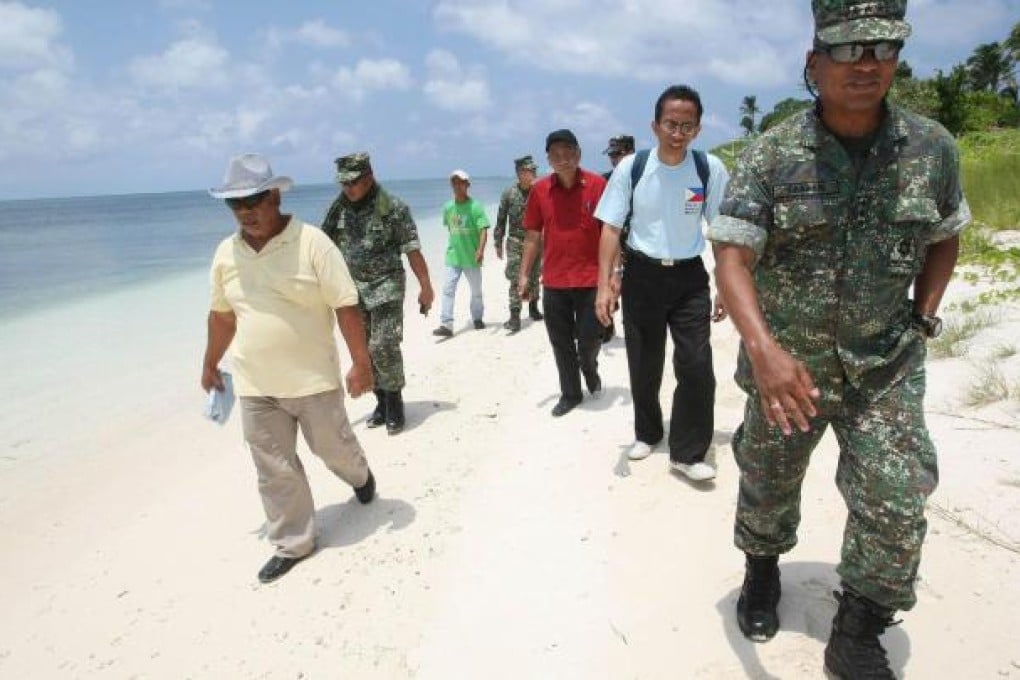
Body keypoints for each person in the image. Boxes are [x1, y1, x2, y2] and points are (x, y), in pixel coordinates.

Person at [708, 1, 970, 677]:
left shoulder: (932, 147)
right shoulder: (771, 153)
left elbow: (945, 235)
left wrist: (924, 316)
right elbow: (732, 258)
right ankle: (763, 570)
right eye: (850, 50)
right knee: (767, 482)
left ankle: (858, 627)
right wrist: (765, 352)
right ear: (813, 63)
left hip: (884, 363)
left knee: (897, 491)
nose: (868, 63)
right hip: (788, 366)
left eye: (883, 49)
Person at [201, 153, 378, 584]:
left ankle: (359, 474)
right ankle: (294, 542)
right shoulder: (226, 253)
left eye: (254, 200)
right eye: (235, 204)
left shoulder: (313, 243)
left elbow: (345, 304)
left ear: (275, 196)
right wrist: (209, 362)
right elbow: (223, 315)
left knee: (333, 450)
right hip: (255, 385)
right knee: (274, 469)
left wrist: (361, 361)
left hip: (312, 380)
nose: (245, 212)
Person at [595, 85, 730, 482]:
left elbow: (721, 232)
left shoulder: (709, 169)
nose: (678, 132)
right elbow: (610, 228)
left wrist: (725, 284)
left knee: (697, 365)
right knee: (644, 363)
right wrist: (605, 285)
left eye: (687, 125)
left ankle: (688, 453)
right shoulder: (632, 168)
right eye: (671, 124)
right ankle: (648, 432)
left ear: (698, 129)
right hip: (642, 276)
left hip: (690, 278)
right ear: (655, 125)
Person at [322, 153, 435, 435]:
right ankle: (381, 402)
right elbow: (322, 245)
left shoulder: (393, 207)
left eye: (353, 182)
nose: (347, 188)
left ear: (369, 177)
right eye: (343, 183)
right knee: (364, 351)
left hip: (387, 287)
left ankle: (395, 402)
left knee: (383, 344)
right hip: (352, 291)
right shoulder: (340, 208)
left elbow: (412, 248)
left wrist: (426, 286)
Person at [520, 129, 608, 417]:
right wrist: (524, 276)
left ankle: (590, 367)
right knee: (560, 342)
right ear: (549, 159)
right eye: (556, 155)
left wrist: (613, 275)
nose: (563, 159)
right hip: (555, 281)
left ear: (578, 154)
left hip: (591, 278)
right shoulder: (540, 190)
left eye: (568, 152)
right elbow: (533, 236)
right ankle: (571, 394)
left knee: (588, 340)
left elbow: (610, 232)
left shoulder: (597, 185)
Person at [433, 169, 489, 337]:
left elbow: (483, 230)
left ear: (467, 185)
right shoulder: (448, 207)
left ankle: (477, 318)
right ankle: (446, 325)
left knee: (476, 291)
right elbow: (450, 229)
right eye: (454, 183)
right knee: (448, 289)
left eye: (461, 182)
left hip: (471, 256)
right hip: (453, 256)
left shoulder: (476, 206)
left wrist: (480, 250)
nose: (457, 186)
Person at [494, 155, 543, 332]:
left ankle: (534, 308)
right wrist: (497, 242)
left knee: (535, 275)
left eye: (534, 170)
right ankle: (515, 316)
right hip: (515, 241)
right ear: (520, 172)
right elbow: (501, 219)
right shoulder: (509, 193)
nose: (534, 173)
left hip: (537, 241)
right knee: (516, 277)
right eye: (531, 170)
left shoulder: (539, 191)